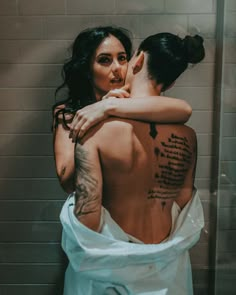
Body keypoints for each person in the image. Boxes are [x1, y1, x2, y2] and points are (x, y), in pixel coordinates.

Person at [60, 32, 205, 295]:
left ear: (137, 61)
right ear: (170, 83)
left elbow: (88, 220)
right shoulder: (188, 137)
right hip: (166, 270)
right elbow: (183, 202)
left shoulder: (94, 131)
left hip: (110, 277)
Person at [52, 26, 193, 193]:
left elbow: (184, 109)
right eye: (105, 60)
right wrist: (94, 125)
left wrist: (108, 106)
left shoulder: (133, 103)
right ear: (87, 68)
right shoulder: (67, 113)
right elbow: (66, 182)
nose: (117, 67)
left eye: (122, 58)